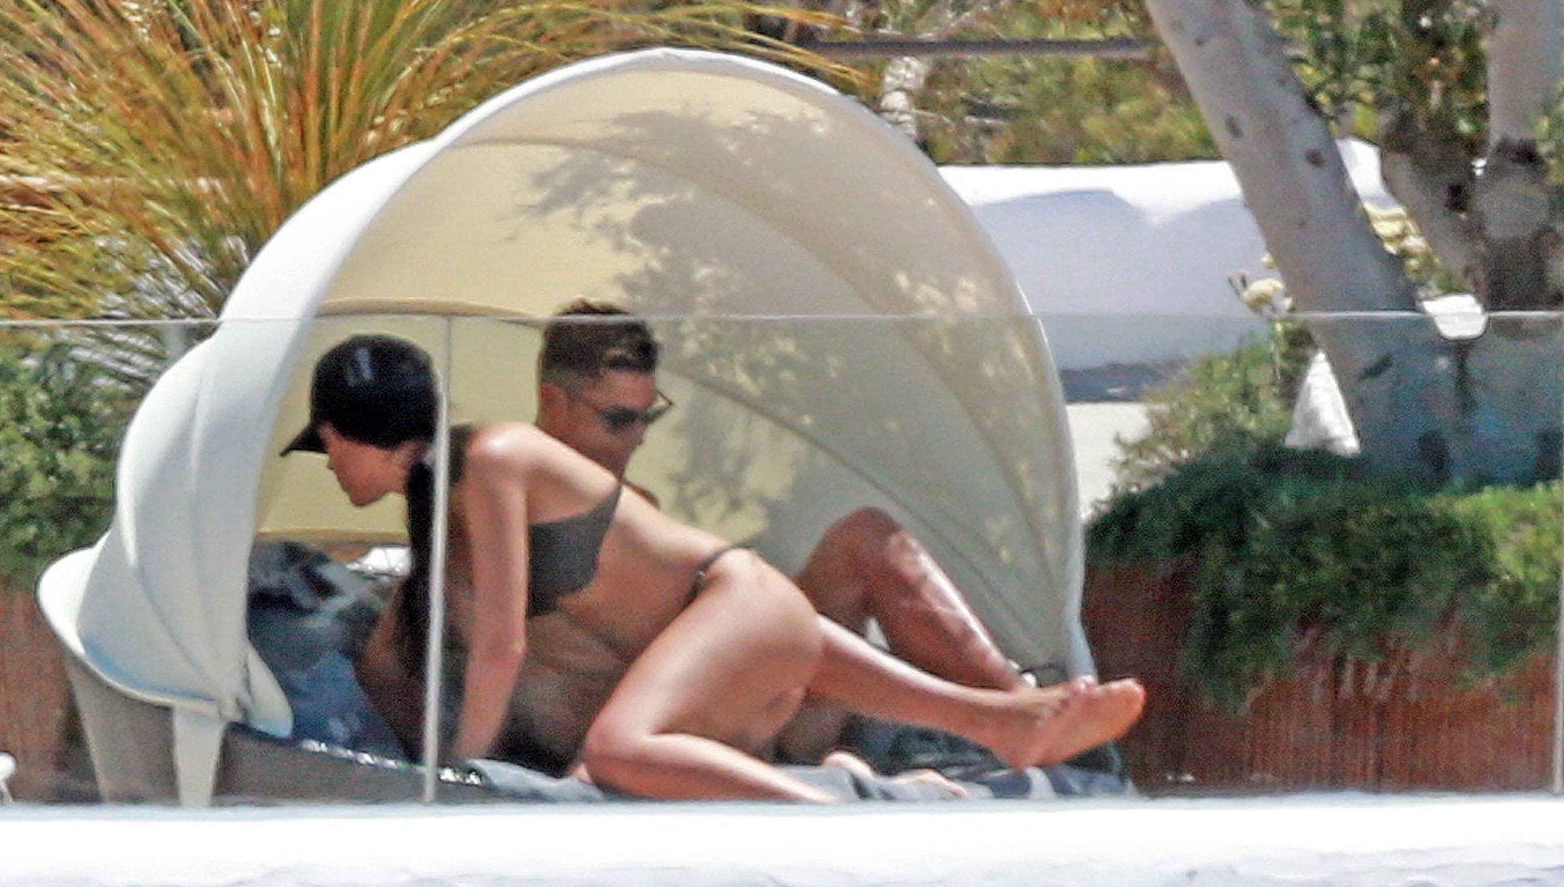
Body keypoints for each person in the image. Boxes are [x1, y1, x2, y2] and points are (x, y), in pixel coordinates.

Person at [293, 332, 1144, 803]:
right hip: (742, 630)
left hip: (739, 602)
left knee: (619, 751)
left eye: (326, 448)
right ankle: (999, 722)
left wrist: (466, 783)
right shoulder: (447, 517)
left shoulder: (494, 458)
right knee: (620, 756)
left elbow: (501, 646)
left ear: (345, 434)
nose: (330, 468)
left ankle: (849, 819)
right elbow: (433, 651)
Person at [532, 302, 1027, 764]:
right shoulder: (512, 507)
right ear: (553, 401)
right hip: (688, 729)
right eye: (619, 420)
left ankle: (1025, 713)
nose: (639, 437)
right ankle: (1007, 719)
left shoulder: (635, 507)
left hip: (749, 698)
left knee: (866, 538)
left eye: (649, 416)